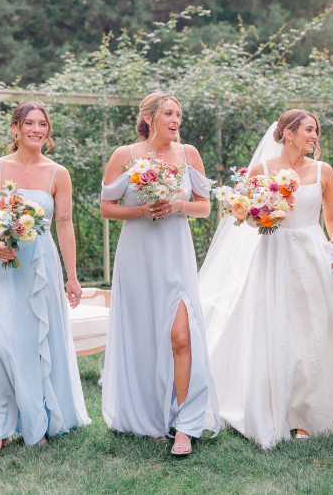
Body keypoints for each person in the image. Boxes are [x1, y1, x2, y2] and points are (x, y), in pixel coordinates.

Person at [204, 110, 333, 449]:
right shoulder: (262, 171)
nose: (315, 136)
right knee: (277, 330)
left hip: (313, 256)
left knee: (314, 330)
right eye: (309, 130)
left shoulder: (323, 171)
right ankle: (274, 407)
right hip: (274, 256)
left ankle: (307, 416)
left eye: (316, 130)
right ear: (288, 133)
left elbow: (331, 218)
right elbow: (243, 215)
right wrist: (260, 217)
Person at [100, 93, 218, 455]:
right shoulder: (126, 155)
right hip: (138, 255)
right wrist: (141, 211)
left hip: (175, 255)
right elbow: (106, 207)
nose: (176, 119)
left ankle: (185, 425)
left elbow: (205, 207)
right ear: (149, 117)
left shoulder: (189, 154)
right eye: (169, 113)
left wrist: (178, 204)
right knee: (145, 335)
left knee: (181, 336)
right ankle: (152, 417)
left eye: (179, 114)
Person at [0, 101, 90, 455]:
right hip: (4, 267)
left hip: (41, 267)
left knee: (39, 342)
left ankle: (39, 420)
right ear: (16, 129)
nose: (37, 130)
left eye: (43, 125)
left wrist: (72, 276)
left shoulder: (58, 173)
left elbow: (64, 224)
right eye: (30, 124)